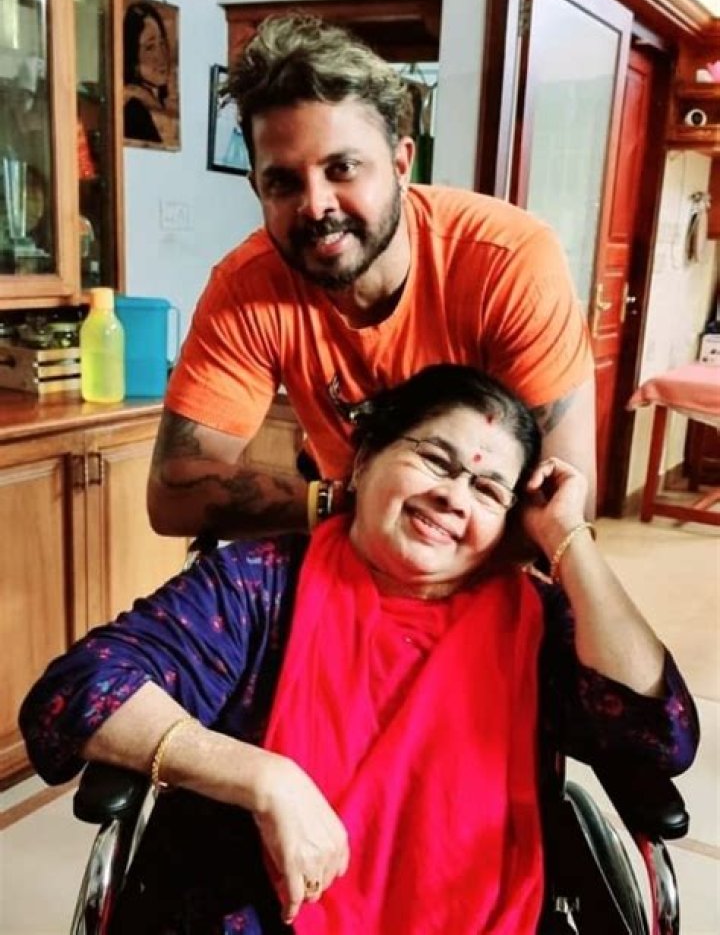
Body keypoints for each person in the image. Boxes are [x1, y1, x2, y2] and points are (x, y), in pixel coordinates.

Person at [21, 365, 697, 935]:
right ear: (366, 457)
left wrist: (567, 539)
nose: (452, 496)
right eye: (434, 459)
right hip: (256, 902)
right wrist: (265, 778)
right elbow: (77, 690)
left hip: (484, 910)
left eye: (489, 489)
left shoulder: (535, 622)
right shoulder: (260, 585)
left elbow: (659, 732)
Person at [148, 13, 597, 543]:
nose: (316, 205)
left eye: (342, 169)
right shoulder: (247, 286)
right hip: (348, 525)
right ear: (257, 190)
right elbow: (172, 496)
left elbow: (566, 506)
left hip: (479, 543)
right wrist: (352, 503)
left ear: (402, 165)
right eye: (284, 182)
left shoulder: (510, 261)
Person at [123, 0, 176, 146]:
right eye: (150, 47)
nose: (161, 55)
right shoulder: (134, 110)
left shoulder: (157, 103)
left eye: (162, 43)